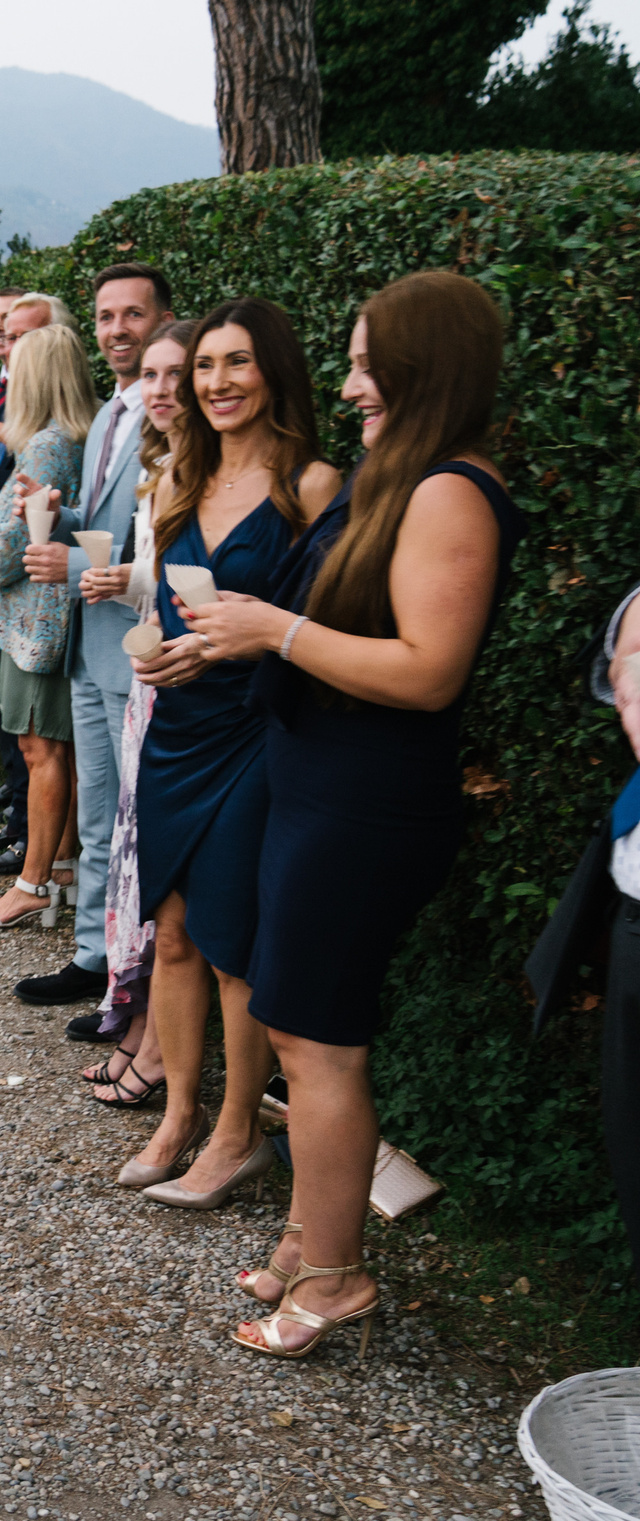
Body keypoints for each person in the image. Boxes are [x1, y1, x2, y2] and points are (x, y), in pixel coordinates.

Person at [181, 273, 519, 1356]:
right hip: (319, 782)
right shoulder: (396, 477)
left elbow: (427, 670)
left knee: (320, 1040)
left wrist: (272, 633)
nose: (349, 384)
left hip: (368, 802)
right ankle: (304, 1237)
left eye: (370, 363)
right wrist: (233, 637)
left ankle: (334, 1280)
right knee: (294, 1021)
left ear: (426, 367)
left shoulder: (451, 492)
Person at [123, 301, 339, 1206]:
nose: (215, 383)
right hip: (178, 726)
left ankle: (237, 1131)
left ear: (273, 370)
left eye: (236, 362)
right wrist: (163, 653)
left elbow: (326, 628)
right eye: (204, 366)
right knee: (172, 932)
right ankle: (179, 1114)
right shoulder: (180, 476)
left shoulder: (314, 485)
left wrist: (234, 649)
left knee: (230, 942)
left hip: (256, 730)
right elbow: (169, 605)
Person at [13, 264, 176, 1013]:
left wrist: (71, 559)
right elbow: (103, 520)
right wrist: (56, 510)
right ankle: (92, 954)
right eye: (106, 317)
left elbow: (165, 550)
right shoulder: (110, 414)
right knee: (97, 811)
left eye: (132, 315)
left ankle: (132, 976)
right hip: (88, 643)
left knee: (131, 819)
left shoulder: (171, 417)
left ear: (163, 320)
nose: (117, 329)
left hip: (137, 647)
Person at [84, 320, 195, 1111]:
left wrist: (135, 584)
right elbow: (160, 581)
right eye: (150, 375)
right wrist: (120, 580)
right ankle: (139, 1022)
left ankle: (157, 1046)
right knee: (140, 861)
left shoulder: (211, 478)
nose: (159, 389)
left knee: (165, 877)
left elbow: (199, 588)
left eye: (174, 374)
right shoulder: (161, 472)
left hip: (190, 688)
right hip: (150, 677)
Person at [0, 323, 93, 927]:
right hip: (57, 612)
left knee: (41, 749)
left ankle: (32, 884)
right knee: (57, 747)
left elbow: (8, 551)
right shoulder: (74, 436)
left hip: (40, 620)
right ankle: (61, 868)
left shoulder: (44, 447)